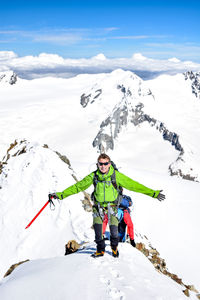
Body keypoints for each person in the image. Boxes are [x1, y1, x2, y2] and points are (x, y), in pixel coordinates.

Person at [49, 153, 165, 258]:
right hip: (98, 208)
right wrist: (60, 195)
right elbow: (78, 187)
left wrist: (153, 193)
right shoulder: (94, 176)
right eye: (101, 164)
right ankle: (100, 250)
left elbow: (133, 185)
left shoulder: (116, 176)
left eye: (105, 164)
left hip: (113, 208)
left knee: (114, 234)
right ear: (97, 164)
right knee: (98, 234)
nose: (103, 166)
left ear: (109, 164)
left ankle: (114, 248)